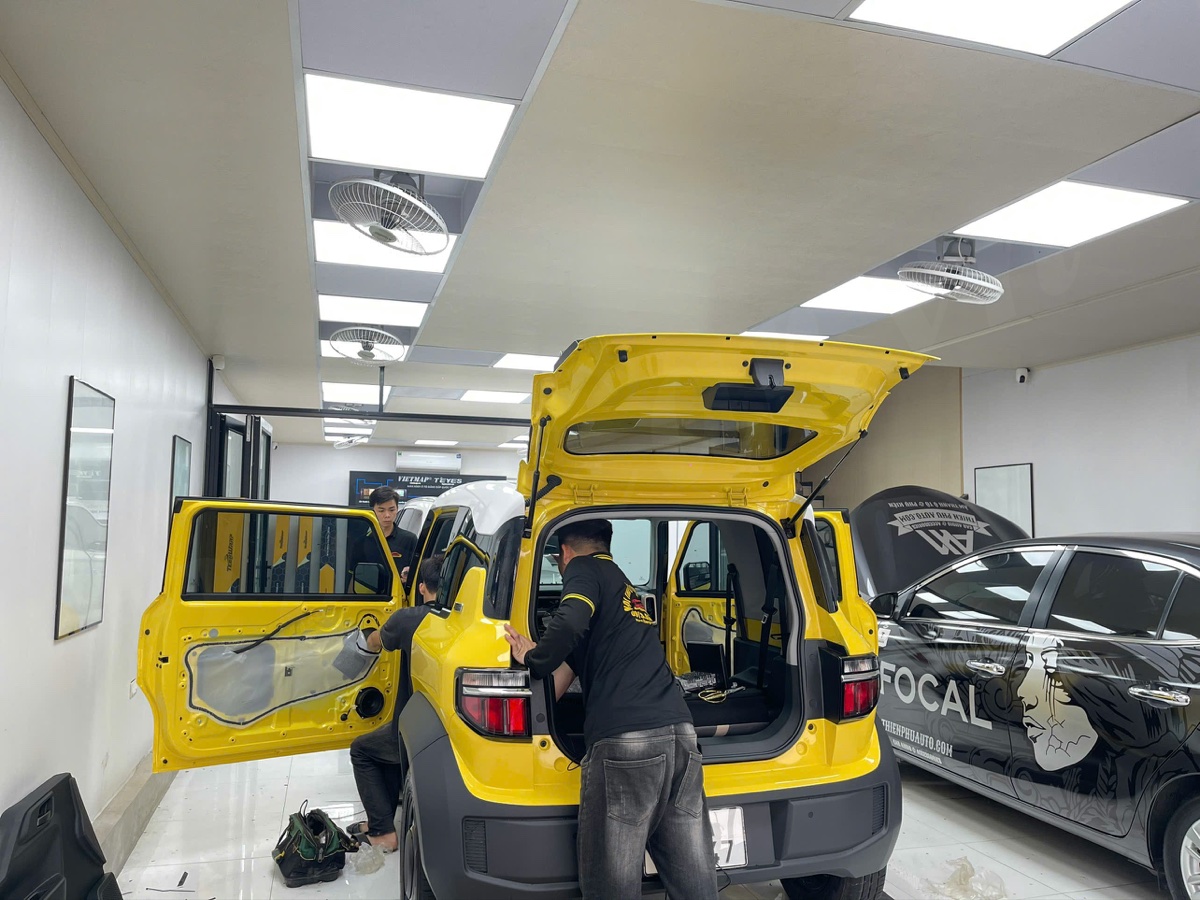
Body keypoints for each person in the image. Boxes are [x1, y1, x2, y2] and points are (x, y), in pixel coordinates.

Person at [504, 519, 718, 899]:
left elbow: (570, 619)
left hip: (628, 745)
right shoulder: (622, 586)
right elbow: (561, 678)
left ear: (564, 553)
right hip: (680, 737)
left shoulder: (583, 568)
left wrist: (534, 658)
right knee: (693, 878)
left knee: (612, 882)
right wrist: (536, 679)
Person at [345, 553, 444, 851]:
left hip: (411, 730)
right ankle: (383, 820)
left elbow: (374, 642)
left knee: (362, 750)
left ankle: (382, 832)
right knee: (383, 744)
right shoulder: (463, 622)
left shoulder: (407, 619)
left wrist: (364, 633)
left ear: (422, 587)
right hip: (447, 729)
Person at [352, 487, 416, 589]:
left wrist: (409, 576)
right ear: (372, 511)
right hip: (369, 595)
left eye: (392, 510)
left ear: (397, 509)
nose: (387, 515)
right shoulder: (361, 543)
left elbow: (416, 575)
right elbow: (352, 577)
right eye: (381, 510)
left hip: (399, 595)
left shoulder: (409, 540)